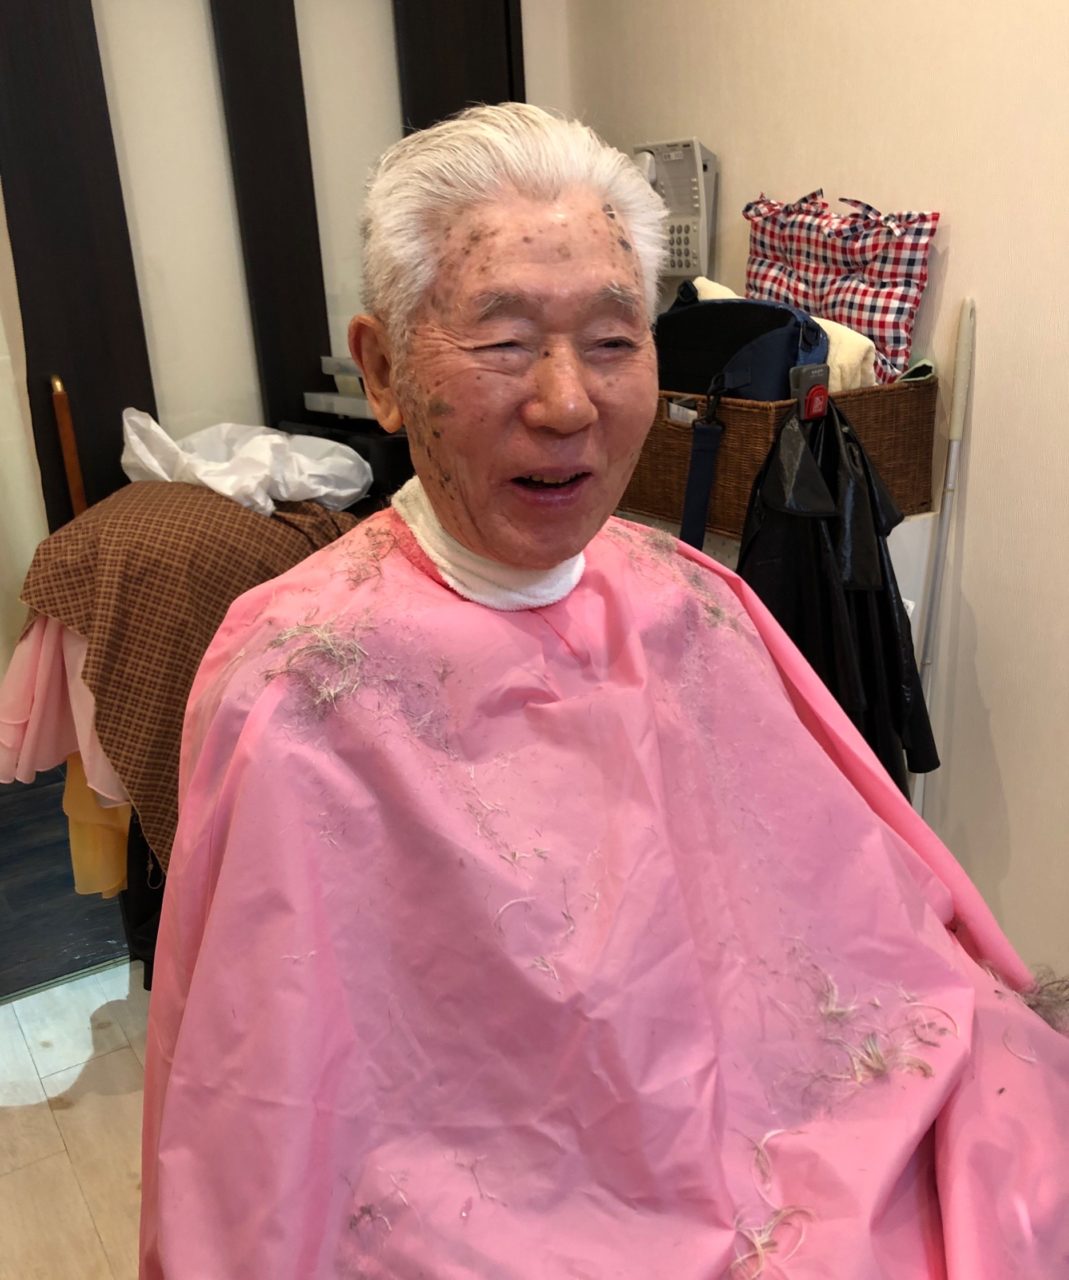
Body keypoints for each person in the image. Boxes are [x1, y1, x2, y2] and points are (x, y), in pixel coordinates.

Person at [140, 104, 1069, 1279]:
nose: (568, 403)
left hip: (777, 1133)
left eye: (613, 341)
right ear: (381, 371)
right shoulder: (299, 681)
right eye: (504, 341)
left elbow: (850, 910)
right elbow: (259, 1124)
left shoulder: (688, 599)